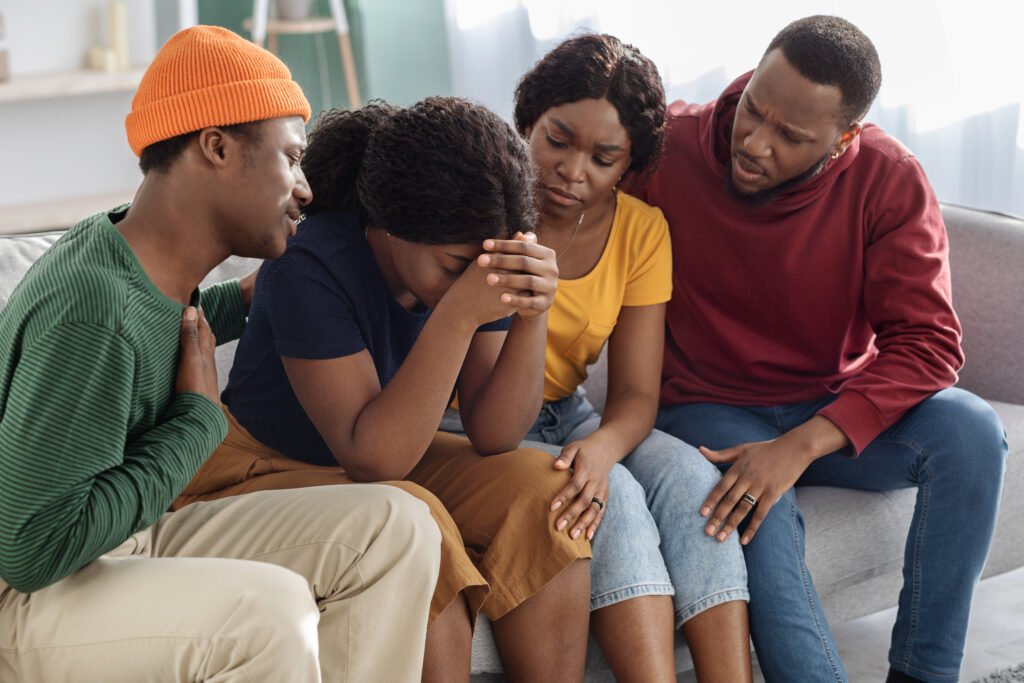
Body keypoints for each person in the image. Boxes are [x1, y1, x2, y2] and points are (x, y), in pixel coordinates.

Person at [0, 25, 441, 683]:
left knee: (397, 526)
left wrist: (237, 300)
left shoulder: (132, 254)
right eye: (291, 158)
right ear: (217, 146)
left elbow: (158, 327)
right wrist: (196, 425)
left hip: (124, 540)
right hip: (34, 594)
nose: (306, 188)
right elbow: (33, 549)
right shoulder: (93, 308)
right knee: (269, 614)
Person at [637, 15, 1008, 683]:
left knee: (973, 430)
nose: (752, 142)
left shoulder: (889, 179)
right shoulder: (669, 147)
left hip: (833, 407)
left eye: (790, 136)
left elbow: (928, 344)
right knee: (756, 512)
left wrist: (804, 442)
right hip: (708, 406)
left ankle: (924, 674)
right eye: (754, 108)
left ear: (843, 142)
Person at [173, 97, 593, 682]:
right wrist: (458, 315)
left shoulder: (474, 255)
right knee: (416, 524)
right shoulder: (308, 264)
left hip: (380, 458)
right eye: (452, 267)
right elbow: (374, 457)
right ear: (391, 228)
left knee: (544, 493)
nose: (467, 281)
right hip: (257, 466)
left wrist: (531, 312)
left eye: (480, 269)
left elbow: (496, 433)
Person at [441, 33, 753, 682]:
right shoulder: (479, 207)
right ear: (528, 119)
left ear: (629, 164)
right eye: (557, 140)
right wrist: (599, 467)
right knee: (614, 502)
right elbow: (487, 403)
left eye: (603, 157)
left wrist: (606, 446)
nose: (573, 169)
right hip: (469, 419)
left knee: (694, 483)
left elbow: (637, 392)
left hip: (570, 414)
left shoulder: (641, 230)